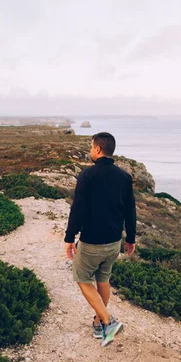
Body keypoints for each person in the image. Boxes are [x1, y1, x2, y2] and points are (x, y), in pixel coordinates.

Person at [64, 132, 136, 347]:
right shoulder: (124, 177)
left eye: (90, 146)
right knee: (103, 280)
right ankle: (99, 324)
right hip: (114, 242)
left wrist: (69, 237)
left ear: (97, 149)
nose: (90, 150)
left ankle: (108, 320)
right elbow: (130, 211)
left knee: (82, 278)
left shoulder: (88, 175)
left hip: (92, 241)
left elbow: (77, 209)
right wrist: (130, 239)